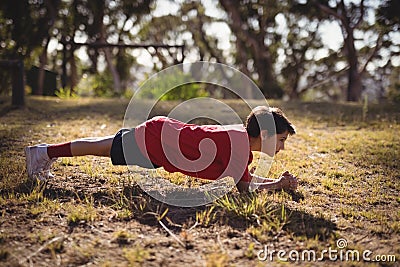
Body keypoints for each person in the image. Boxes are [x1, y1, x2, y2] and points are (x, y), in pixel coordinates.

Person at [25, 106, 298, 193]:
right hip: (155, 141)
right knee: (100, 148)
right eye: (281, 140)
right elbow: (246, 187)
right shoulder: (240, 147)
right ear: (264, 134)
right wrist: (279, 185)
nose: (283, 147)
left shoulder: (241, 142)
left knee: (102, 146)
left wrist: (276, 182)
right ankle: (43, 153)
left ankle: (43, 152)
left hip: (160, 137)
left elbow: (246, 179)